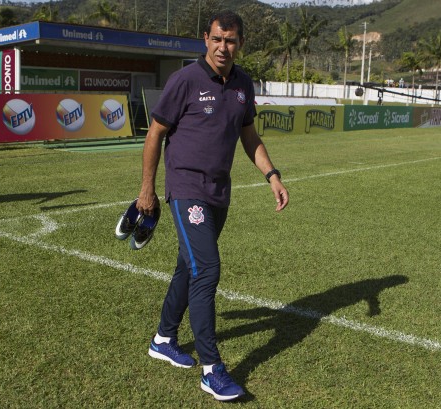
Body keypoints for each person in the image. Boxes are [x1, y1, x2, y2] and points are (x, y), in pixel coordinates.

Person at [137, 10, 289, 402]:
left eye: (232, 40)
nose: (224, 47)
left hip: (220, 191)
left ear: (240, 43)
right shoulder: (184, 80)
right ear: (205, 38)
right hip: (186, 187)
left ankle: (163, 338)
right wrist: (147, 190)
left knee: (188, 268)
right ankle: (212, 369)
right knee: (207, 267)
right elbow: (155, 134)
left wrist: (272, 175)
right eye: (218, 39)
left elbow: (249, 136)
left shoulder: (242, 84)